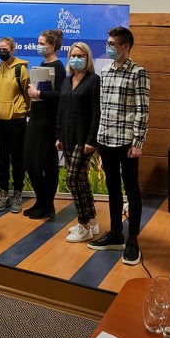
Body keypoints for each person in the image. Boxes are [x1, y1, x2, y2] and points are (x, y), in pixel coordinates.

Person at [87, 26, 150, 266]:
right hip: (106, 139)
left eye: (112, 44)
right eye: (108, 43)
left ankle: (132, 238)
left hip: (127, 142)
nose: (108, 47)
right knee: (112, 188)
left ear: (125, 46)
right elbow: (102, 108)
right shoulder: (105, 71)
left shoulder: (138, 73)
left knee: (131, 189)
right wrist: (97, 137)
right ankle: (115, 233)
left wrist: (138, 142)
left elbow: (142, 110)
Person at [56, 42, 100, 242]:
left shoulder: (94, 81)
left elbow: (96, 112)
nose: (76, 59)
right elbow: (61, 110)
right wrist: (59, 136)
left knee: (72, 179)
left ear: (87, 58)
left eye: (80, 55)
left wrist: (91, 140)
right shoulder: (67, 81)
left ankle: (83, 225)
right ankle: (92, 221)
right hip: (67, 138)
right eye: (73, 55)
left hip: (84, 140)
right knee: (81, 181)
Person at [23, 29, 66, 219]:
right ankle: (41, 201)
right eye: (38, 43)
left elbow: (61, 96)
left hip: (48, 123)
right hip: (36, 118)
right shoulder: (43, 64)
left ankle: (47, 204)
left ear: (52, 46)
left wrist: (39, 93)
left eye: (42, 44)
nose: (38, 46)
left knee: (47, 165)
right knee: (32, 164)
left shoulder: (58, 67)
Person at [0, 37, 30, 214]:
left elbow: (28, 94)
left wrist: (23, 111)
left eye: (5, 49)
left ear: (12, 50)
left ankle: (17, 194)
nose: (1, 52)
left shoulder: (21, 69)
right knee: (1, 159)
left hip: (16, 121)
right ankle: (3, 194)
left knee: (17, 159)